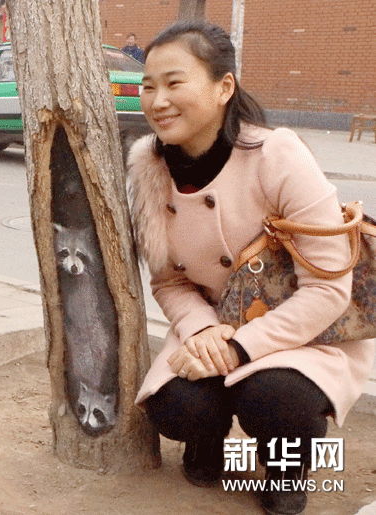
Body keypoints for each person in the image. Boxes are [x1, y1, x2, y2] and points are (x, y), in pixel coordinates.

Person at [127, 21, 374, 515]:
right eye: (148, 86)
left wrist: (240, 349)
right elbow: (169, 280)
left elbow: (328, 288)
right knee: (175, 406)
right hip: (215, 325)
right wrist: (203, 331)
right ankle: (208, 441)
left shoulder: (275, 154)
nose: (158, 101)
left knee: (277, 399)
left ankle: (287, 469)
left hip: (299, 328)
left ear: (224, 87)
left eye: (175, 83)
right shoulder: (148, 167)